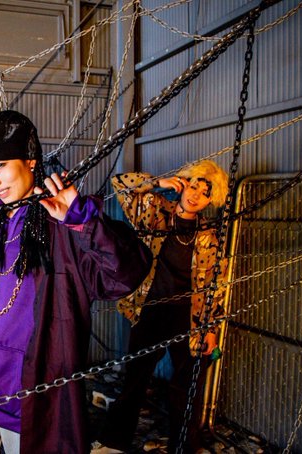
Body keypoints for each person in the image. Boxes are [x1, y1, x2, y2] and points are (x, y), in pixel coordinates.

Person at [0, 110, 152, 454]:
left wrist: (82, 220)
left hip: (33, 389)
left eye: (0, 166)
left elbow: (124, 275)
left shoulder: (62, 217)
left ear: (30, 161)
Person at [92, 160, 229, 454]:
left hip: (188, 318)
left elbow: (214, 286)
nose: (195, 195)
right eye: (193, 186)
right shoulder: (155, 211)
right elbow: (120, 183)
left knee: (186, 386)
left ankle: (184, 447)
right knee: (136, 379)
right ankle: (114, 441)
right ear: (183, 184)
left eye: (204, 193)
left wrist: (211, 329)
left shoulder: (209, 236)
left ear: (210, 201)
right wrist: (158, 183)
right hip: (150, 309)